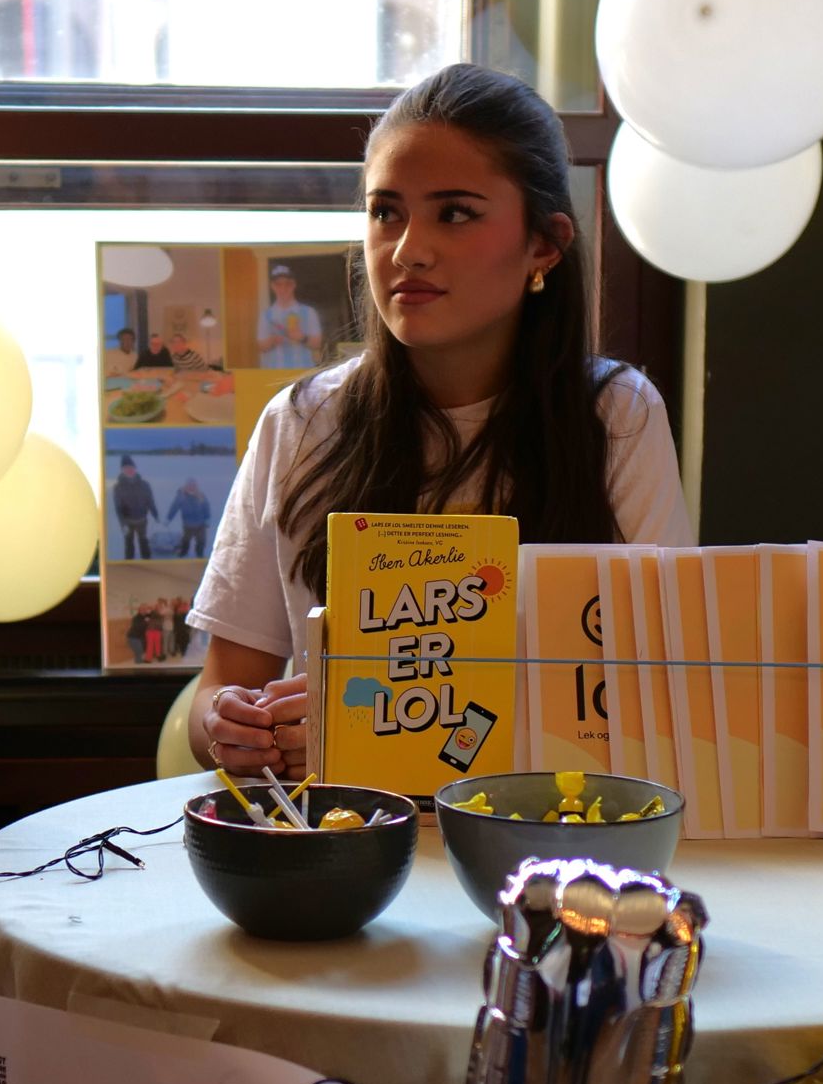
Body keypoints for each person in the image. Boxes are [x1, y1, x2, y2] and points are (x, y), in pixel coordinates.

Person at [186, 63, 692, 772]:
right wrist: (236, 727)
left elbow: (667, 692)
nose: (406, 250)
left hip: (543, 837)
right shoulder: (302, 421)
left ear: (543, 245)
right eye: (385, 211)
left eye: (454, 213)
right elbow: (218, 692)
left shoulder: (616, 414)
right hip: (347, 846)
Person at [254, 260, 323, 368]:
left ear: (294, 285)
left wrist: (302, 337)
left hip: (302, 373)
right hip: (274, 375)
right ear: (272, 286)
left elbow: (317, 344)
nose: (283, 288)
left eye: (287, 284)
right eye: (278, 284)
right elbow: (261, 346)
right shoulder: (266, 316)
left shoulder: (309, 312)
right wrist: (274, 340)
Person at [112, 453, 159, 558]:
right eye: (126, 468)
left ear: (135, 468)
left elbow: (150, 501)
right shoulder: (118, 488)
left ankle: (147, 562)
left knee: (143, 541)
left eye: (131, 468)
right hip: (128, 522)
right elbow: (118, 508)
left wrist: (155, 515)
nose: (129, 470)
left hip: (142, 520)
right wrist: (123, 524)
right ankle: (128, 565)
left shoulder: (145, 485)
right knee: (129, 544)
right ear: (122, 470)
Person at [172, 473, 213, 556]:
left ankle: (199, 555)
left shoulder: (200, 496)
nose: (191, 487)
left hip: (200, 525)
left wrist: (207, 518)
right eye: (189, 485)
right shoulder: (181, 496)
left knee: (201, 542)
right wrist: (168, 518)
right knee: (185, 541)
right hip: (188, 525)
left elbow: (206, 507)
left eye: (193, 485)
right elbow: (174, 507)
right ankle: (183, 554)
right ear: (186, 486)